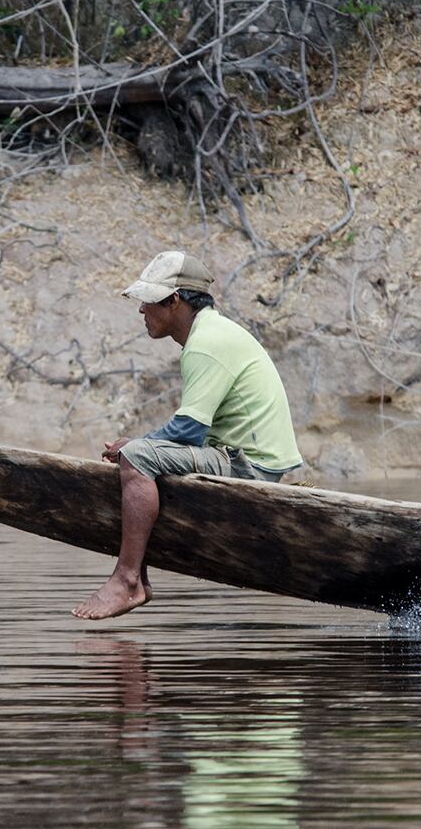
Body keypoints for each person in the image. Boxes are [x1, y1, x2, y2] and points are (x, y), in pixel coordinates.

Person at [73, 250, 303, 620]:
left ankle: (127, 580)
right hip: (243, 456)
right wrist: (143, 444)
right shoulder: (211, 333)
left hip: (250, 465)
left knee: (138, 457)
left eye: (148, 302)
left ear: (175, 301)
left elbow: (190, 430)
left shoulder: (205, 343)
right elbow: (189, 429)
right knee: (141, 454)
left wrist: (136, 447)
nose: (141, 311)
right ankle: (137, 577)